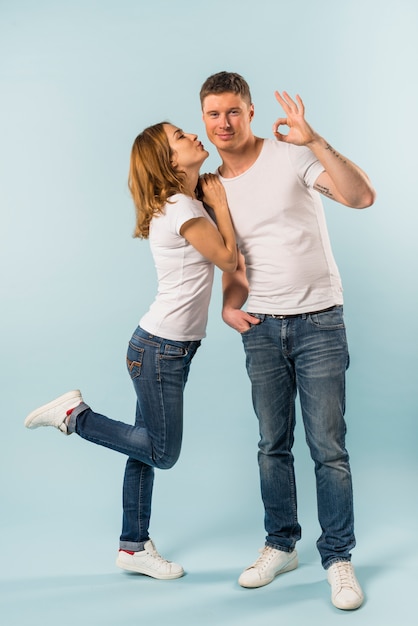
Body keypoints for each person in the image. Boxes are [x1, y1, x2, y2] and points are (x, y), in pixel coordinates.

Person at [24, 122, 237, 580]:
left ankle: (132, 547)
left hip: (161, 349)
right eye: (181, 137)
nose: (194, 136)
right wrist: (219, 203)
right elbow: (229, 259)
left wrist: (213, 199)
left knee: (142, 449)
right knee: (162, 452)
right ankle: (75, 416)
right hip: (161, 351)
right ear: (167, 161)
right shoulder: (184, 207)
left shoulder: (184, 202)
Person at [199, 71, 376, 610]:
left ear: (250, 112)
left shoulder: (290, 155)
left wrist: (315, 140)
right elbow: (234, 257)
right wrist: (228, 305)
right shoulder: (212, 186)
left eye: (233, 111)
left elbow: (361, 196)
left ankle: (339, 559)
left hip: (319, 320)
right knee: (271, 444)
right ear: (203, 119)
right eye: (212, 114)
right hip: (261, 327)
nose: (223, 123)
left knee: (329, 448)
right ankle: (281, 544)